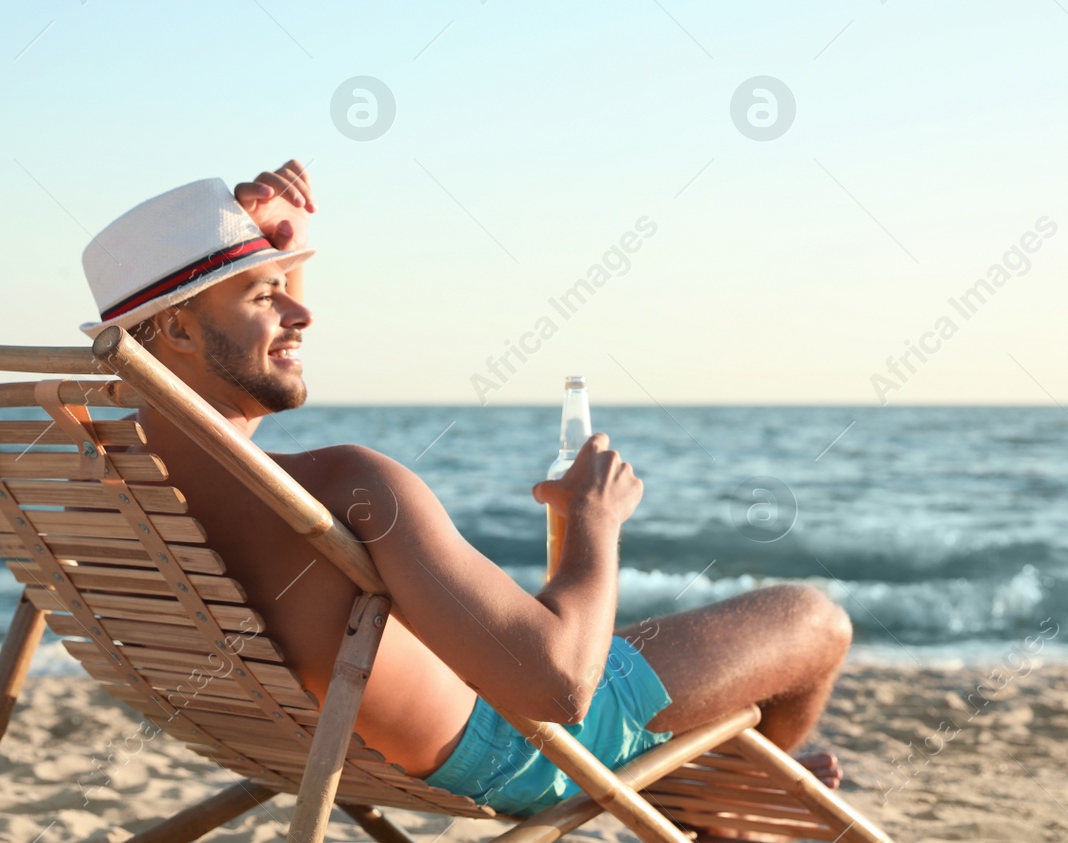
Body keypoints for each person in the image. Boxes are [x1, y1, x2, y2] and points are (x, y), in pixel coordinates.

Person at [77, 162, 853, 825]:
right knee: (813, 621)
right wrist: (592, 520)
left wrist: (279, 254)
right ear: (176, 333)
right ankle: (719, 816)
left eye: (286, 287)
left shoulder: (103, 481)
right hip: (516, 748)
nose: (302, 311)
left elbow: (225, 369)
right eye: (263, 296)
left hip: (294, 737)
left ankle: (699, 786)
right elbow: (559, 689)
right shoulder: (349, 484)